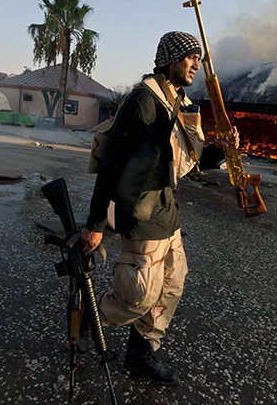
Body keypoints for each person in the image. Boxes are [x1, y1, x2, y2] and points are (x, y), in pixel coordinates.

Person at [80, 31, 238, 386]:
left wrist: (221, 149)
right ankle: (87, 311)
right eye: (189, 57)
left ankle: (141, 354)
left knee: (170, 288)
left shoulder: (178, 101)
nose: (196, 63)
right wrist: (94, 225)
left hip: (168, 214)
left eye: (198, 57)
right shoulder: (143, 100)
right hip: (141, 213)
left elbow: (190, 161)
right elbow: (110, 163)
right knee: (137, 296)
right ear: (170, 59)